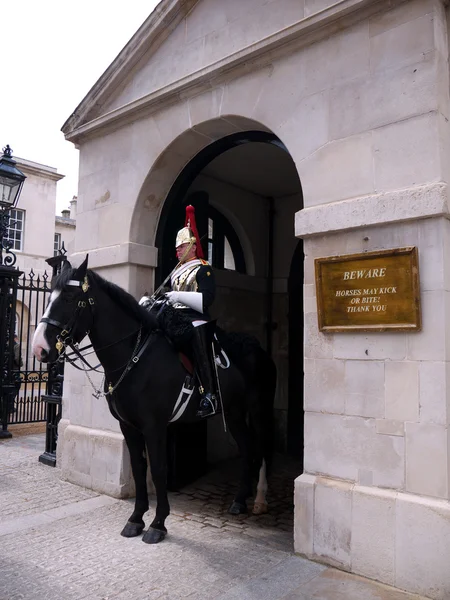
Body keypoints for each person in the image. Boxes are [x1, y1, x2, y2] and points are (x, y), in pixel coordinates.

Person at [143, 205, 218, 418]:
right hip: (175, 317)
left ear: (193, 246)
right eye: (176, 248)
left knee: (196, 334)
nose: (177, 251)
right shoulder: (176, 273)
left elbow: (206, 300)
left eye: (181, 246)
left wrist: (177, 296)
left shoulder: (203, 268)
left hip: (195, 318)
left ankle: (208, 394)